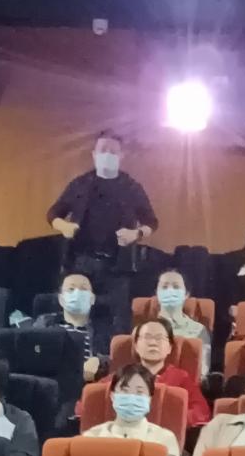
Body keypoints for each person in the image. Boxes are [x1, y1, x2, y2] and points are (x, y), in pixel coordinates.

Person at [46, 129, 158, 341]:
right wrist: (63, 226)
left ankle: (108, 356)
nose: (108, 154)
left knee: (115, 321)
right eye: (103, 150)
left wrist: (136, 233)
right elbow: (53, 213)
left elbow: (151, 221)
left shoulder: (131, 187)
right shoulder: (81, 184)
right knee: (77, 316)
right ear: (94, 154)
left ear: (121, 155)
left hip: (118, 267)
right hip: (81, 263)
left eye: (113, 151)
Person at [83, 363, 180, 456]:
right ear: (112, 395)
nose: (131, 397)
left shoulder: (164, 439)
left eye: (139, 392)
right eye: (125, 390)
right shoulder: (91, 438)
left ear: (150, 399)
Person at [25, 270, 105, 383]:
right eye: (71, 289)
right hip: (50, 382)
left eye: (83, 289)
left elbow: (112, 358)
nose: (77, 293)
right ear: (61, 299)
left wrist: (99, 362)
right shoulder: (45, 323)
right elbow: (31, 353)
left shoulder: (103, 330)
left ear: (92, 299)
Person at [129, 316, 210, 427]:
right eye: (147, 337)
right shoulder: (123, 376)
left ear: (170, 347)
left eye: (159, 338)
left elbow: (201, 412)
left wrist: (171, 419)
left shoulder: (181, 378)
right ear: (136, 345)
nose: (153, 342)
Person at [152, 268, 207, 345]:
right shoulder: (144, 329)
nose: (170, 291)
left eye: (176, 287)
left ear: (186, 294)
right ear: (156, 293)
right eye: (164, 287)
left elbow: (204, 353)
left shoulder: (199, 330)